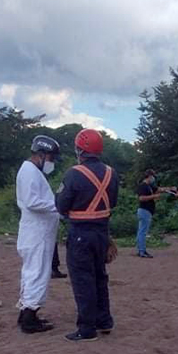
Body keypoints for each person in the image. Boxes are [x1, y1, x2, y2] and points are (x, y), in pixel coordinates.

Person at [56, 128, 120, 342]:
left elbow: (61, 205)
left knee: (83, 280)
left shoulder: (73, 173)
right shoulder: (112, 173)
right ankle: (104, 321)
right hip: (102, 233)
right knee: (100, 277)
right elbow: (113, 202)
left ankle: (87, 329)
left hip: (80, 234)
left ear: (80, 150)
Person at [15, 135, 61, 334]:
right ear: (41, 154)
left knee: (32, 272)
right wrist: (58, 205)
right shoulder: (30, 172)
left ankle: (26, 312)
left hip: (37, 232)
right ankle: (29, 319)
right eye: (51, 158)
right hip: (37, 233)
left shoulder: (31, 171)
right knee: (37, 273)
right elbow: (33, 202)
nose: (52, 162)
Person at [135, 169, 163, 258]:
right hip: (144, 211)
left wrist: (169, 189)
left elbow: (158, 189)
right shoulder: (143, 186)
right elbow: (141, 198)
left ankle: (140, 249)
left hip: (146, 211)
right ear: (150, 176)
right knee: (143, 232)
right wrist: (154, 196)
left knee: (141, 231)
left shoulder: (149, 186)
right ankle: (142, 251)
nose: (153, 178)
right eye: (153, 176)